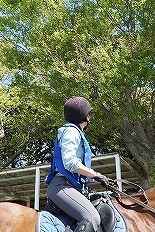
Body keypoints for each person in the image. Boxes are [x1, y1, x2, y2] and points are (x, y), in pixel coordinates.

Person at [45, 96, 109, 232]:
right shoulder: (71, 131)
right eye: (89, 114)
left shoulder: (75, 132)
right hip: (61, 186)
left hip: (71, 186)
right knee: (92, 217)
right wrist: (94, 175)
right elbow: (70, 163)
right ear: (85, 117)